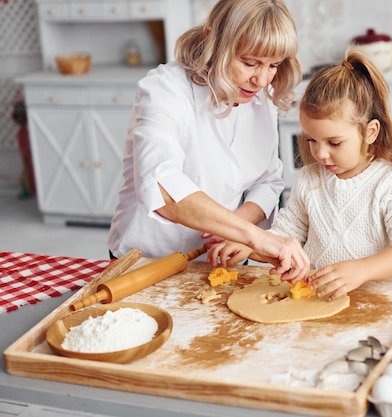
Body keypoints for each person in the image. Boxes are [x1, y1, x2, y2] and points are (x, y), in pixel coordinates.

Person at [107, 0, 310, 281]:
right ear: (213, 41)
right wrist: (253, 236)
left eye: (273, 65)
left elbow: (268, 180)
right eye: (250, 63)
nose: (261, 79)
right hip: (149, 259)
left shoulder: (262, 97)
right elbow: (160, 185)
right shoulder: (166, 89)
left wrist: (235, 229)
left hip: (221, 261)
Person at [208, 49, 392, 300]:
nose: (321, 154)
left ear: (370, 132)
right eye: (312, 140)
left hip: (376, 302)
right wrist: (249, 246)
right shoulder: (310, 180)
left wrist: (361, 270)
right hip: (317, 299)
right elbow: (285, 234)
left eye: (334, 143)